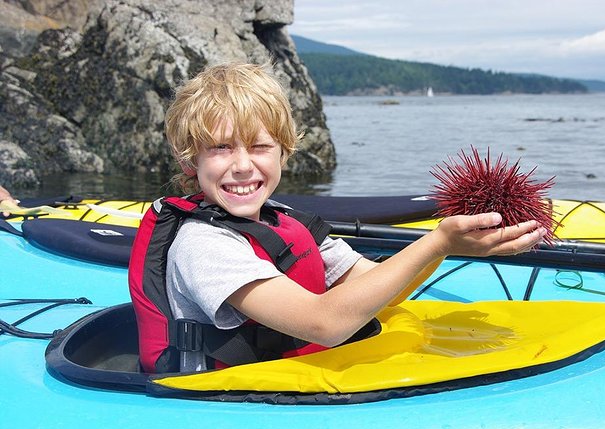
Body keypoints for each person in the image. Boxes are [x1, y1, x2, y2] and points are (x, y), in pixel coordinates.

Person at [146, 61, 546, 373]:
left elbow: (380, 286)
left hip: (287, 377)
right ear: (189, 161)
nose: (243, 165)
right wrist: (438, 241)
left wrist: (453, 246)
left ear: (284, 151)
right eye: (221, 148)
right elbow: (324, 324)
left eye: (259, 146)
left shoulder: (285, 221)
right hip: (225, 399)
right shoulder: (203, 246)